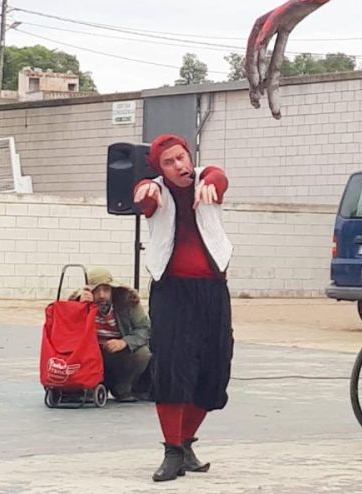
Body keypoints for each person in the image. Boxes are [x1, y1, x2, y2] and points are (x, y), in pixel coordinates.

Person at [133, 134, 233, 483]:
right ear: (159, 169)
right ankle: (172, 450)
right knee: (172, 368)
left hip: (213, 290)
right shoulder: (155, 189)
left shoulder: (208, 179)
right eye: (169, 162)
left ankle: (187, 442)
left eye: (181, 158)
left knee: (214, 369)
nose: (178, 166)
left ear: (190, 157)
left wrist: (210, 181)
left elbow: (219, 177)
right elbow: (143, 195)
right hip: (172, 292)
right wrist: (147, 189)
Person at [69, 267, 153, 402]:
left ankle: (123, 389)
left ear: (112, 290)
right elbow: (67, 331)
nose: (102, 295)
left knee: (143, 353)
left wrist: (124, 342)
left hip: (118, 353)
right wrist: (78, 307)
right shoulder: (78, 303)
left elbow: (144, 328)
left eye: (106, 289)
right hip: (90, 355)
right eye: (96, 290)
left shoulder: (128, 301)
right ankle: (88, 388)